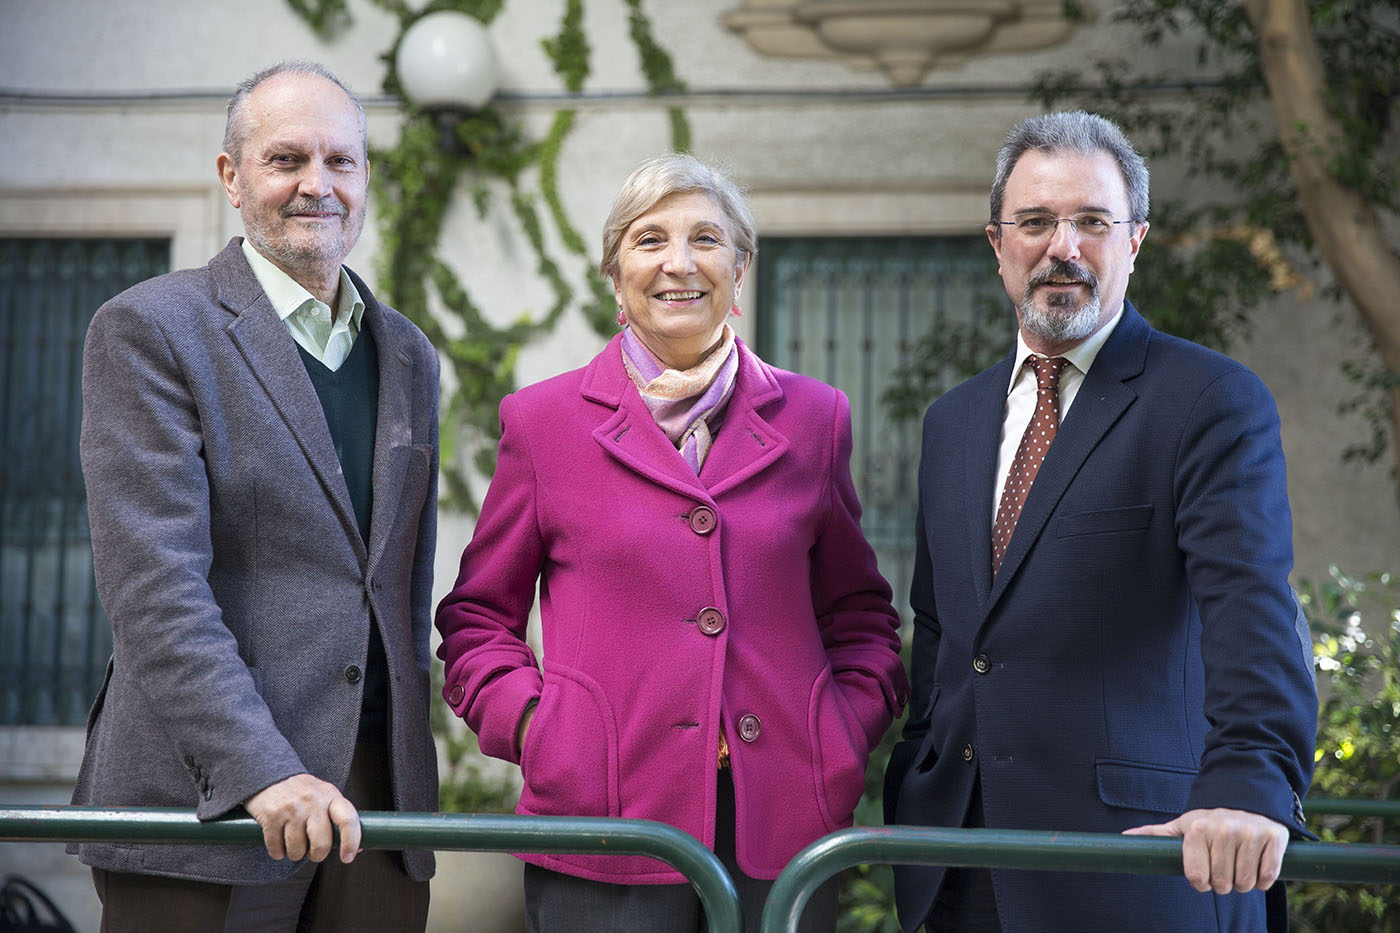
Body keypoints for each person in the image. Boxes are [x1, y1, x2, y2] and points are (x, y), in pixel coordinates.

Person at [435, 153, 907, 932]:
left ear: (741, 267)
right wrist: (542, 732)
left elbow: (861, 619)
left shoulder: (816, 420)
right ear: (616, 275)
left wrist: (841, 732)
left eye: (707, 240)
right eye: (650, 240)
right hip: (602, 818)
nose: (679, 263)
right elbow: (477, 620)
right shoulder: (545, 424)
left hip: (782, 824)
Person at [883, 111, 1317, 932]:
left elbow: (1251, 606)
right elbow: (943, 632)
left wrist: (1248, 780)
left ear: (1136, 240)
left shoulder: (1207, 400)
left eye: (1091, 221)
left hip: (1138, 866)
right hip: (954, 868)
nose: (1063, 247)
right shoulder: (954, 421)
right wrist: (916, 775)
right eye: (1037, 222)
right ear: (997, 243)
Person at [69, 61, 439, 931]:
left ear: (366, 179)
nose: (319, 184)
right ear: (233, 177)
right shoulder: (152, 328)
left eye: (341, 162)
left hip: (379, 807)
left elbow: (396, 582)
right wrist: (259, 767)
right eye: (286, 159)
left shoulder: (408, 351)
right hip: (211, 800)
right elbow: (154, 590)